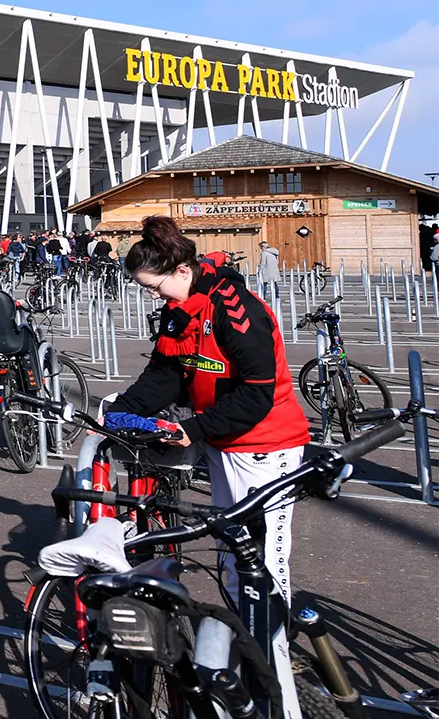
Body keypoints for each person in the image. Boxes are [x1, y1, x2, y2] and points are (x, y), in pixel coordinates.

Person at [103, 216, 310, 716]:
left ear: (180, 269)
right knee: (231, 563)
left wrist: (191, 430)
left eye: (153, 287)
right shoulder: (179, 312)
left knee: (264, 572)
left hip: (267, 449)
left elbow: (257, 395)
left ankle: (276, 679)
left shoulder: (239, 311)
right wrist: (121, 410)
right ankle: (244, 662)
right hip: (223, 447)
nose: (152, 297)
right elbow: (166, 372)